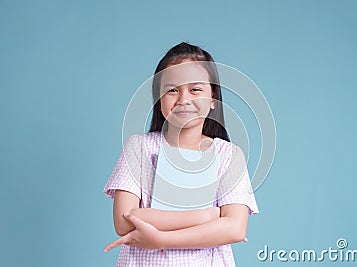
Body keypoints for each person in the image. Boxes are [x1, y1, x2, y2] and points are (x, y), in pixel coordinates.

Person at [103, 42, 259, 266]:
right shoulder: (139, 147)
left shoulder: (228, 155)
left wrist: (160, 239)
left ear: (213, 98)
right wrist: (207, 217)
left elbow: (234, 228)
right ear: (158, 98)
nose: (183, 99)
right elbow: (124, 222)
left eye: (195, 89)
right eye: (172, 90)